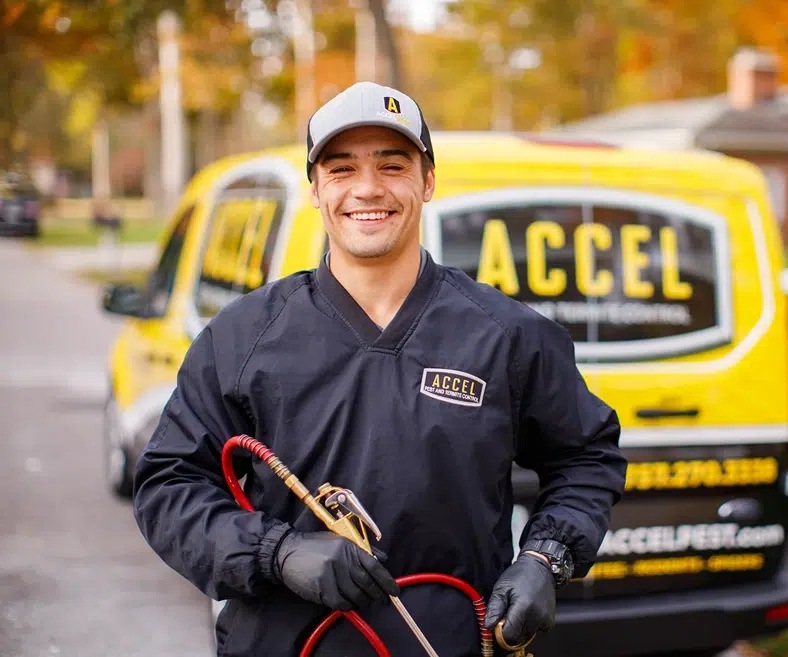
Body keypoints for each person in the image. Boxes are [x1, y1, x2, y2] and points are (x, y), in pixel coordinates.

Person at [132, 81, 627, 657]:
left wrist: (547, 558)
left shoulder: (508, 335)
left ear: (428, 182)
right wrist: (276, 551)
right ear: (316, 190)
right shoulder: (242, 337)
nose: (368, 188)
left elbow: (586, 458)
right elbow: (170, 485)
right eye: (341, 169)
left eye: (393, 165)